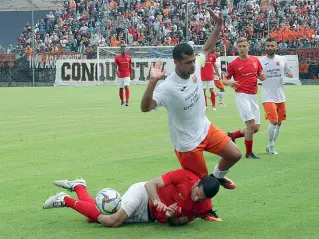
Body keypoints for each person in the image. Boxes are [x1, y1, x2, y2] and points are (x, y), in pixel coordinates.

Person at [140, 10, 242, 190]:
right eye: (188, 63)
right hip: (187, 143)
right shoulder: (168, 87)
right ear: (177, 63)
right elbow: (145, 108)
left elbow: (207, 49)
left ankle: (217, 176)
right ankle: (206, 210)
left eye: (193, 61)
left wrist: (218, 26)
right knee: (201, 185)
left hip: (205, 128)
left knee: (234, 154)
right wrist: (153, 81)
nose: (193, 65)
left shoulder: (197, 68)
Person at [43, 169, 222, 227]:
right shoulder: (184, 176)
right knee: (113, 221)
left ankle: (79, 186)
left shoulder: (202, 206)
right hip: (143, 195)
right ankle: (65, 200)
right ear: (197, 182)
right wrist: (157, 201)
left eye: (201, 198)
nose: (196, 198)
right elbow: (149, 184)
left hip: (148, 217)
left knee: (93, 217)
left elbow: (177, 223)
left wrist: (171, 217)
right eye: (197, 193)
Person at [224, 37, 266, 159]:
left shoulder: (255, 60)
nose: (242, 48)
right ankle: (249, 153)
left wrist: (262, 76)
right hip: (242, 96)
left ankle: (231, 136)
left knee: (255, 128)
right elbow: (224, 79)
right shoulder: (233, 64)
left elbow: (259, 74)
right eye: (240, 46)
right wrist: (230, 83)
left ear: (248, 46)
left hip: (253, 96)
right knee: (251, 125)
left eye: (244, 46)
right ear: (237, 48)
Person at [260, 37, 293, 155]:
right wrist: (259, 76)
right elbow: (257, 75)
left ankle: (270, 144)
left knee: (279, 122)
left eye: (272, 45)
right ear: (265, 47)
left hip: (280, 95)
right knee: (273, 120)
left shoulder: (282, 59)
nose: (270, 48)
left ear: (276, 46)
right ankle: (271, 144)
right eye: (268, 46)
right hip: (267, 96)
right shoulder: (261, 61)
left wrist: (289, 74)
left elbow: (288, 71)